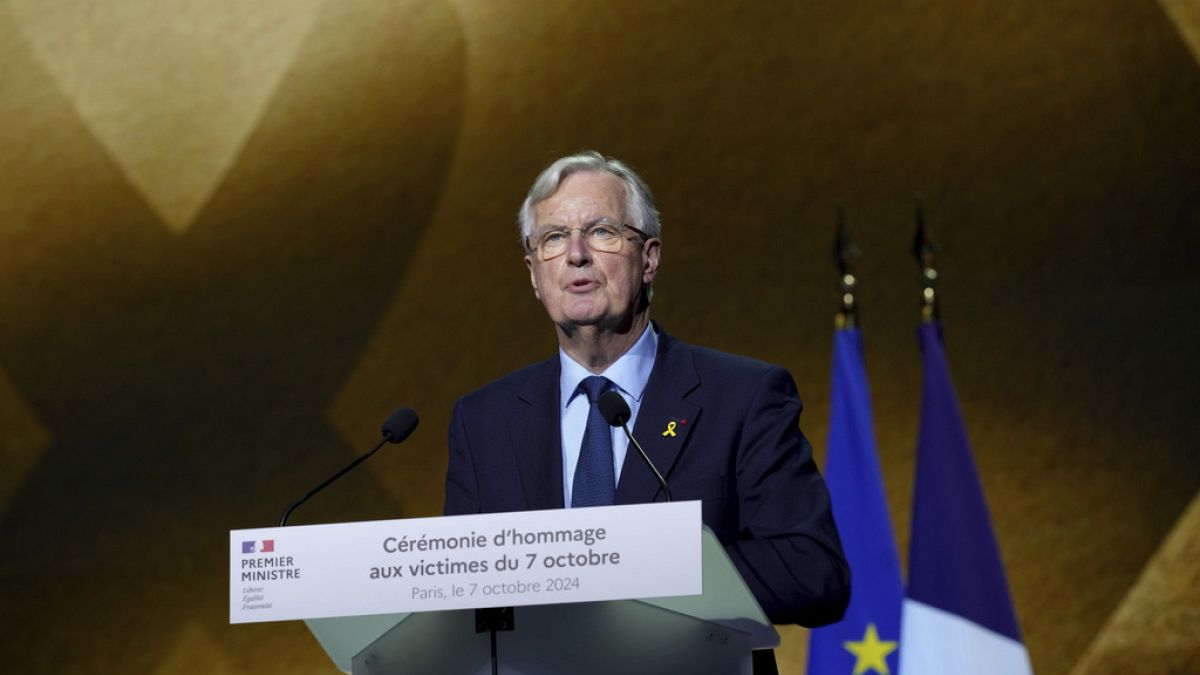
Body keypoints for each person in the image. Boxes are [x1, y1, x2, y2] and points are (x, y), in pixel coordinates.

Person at [444, 151, 849, 669]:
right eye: (552, 239)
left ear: (649, 258)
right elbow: (460, 599)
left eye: (602, 232)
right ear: (533, 274)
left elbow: (814, 573)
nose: (576, 255)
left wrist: (641, 568)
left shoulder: (743, 397)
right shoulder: (484, 422)